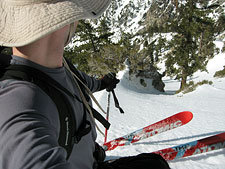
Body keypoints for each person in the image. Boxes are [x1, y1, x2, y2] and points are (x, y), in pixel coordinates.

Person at [0, 0, 170, 169]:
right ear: (66, 20)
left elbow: (84, 83)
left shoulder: (63, 68)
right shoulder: (18, 103)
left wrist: (103, 83)